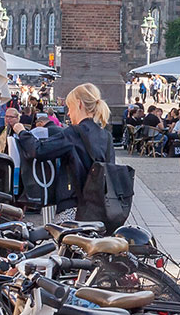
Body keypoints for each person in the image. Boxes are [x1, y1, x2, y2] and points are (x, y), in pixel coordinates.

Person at [24, 83, 124, 226]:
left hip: (73, 208)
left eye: (69, 108)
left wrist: (21, 131)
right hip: (98, 210)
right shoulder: (105, 136)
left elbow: (38, 150)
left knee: (66, 246)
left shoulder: (74, 133)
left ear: (79, 104)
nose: (69, 113)